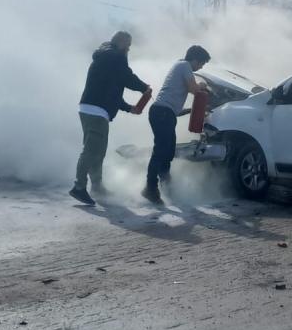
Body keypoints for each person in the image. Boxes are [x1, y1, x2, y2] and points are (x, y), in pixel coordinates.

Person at [70, 31, 150, 205]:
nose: (129, 49)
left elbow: (113, 93)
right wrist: (144, 87)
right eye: (128, 45)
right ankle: (79, 187)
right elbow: (127, 77)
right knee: (91, 151)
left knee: (97, 151)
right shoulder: (115, 56)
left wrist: (130, 108)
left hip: (91, 108)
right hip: (96, 111)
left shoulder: (106, 57)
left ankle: (97, 187)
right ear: (120, 42)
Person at [143, 45, 211, 203]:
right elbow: (194, 89)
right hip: (162, 113)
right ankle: (150, 188)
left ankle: (166, 185)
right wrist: (202, 87)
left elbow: (174, 107)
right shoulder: (184, 65)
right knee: (160, 151)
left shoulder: (179, 66)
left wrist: (190, 110)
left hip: (164, 113)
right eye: (201, 63)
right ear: (194, 59)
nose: (200, 67)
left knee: (168, 151)